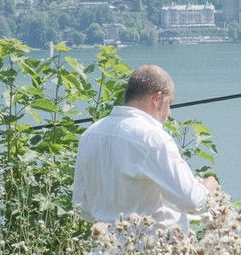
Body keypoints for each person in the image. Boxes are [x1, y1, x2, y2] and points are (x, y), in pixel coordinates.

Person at [73, 64, 219, 234]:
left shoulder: (90, 134)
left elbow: (81, 206)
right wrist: (206, 188)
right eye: (169, 103)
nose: (170, 112)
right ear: (157, 98)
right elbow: (192, 200)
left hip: (102, 251)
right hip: (150, 250)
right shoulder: (153, 138)